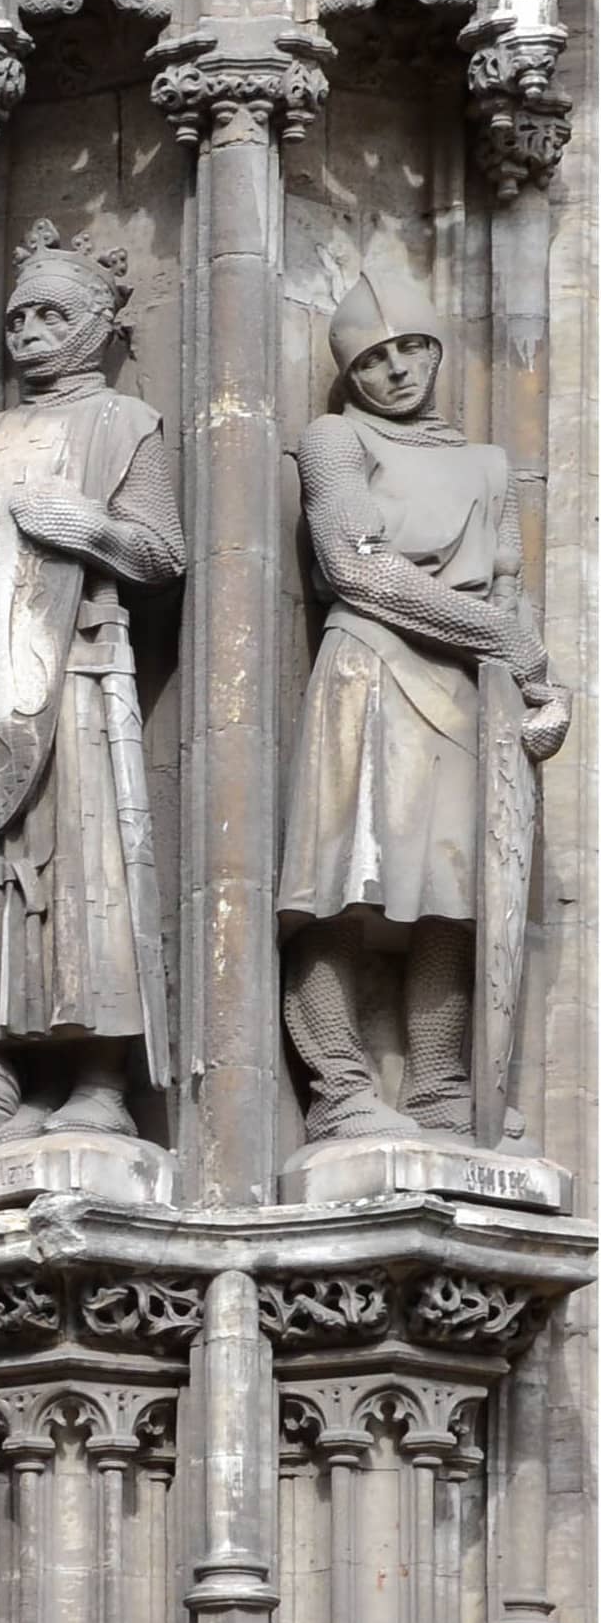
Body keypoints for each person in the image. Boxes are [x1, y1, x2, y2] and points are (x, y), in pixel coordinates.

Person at [0, 223, 183, 1144]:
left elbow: (159, 550)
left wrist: (91, 528)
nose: (26, 332)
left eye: (50, 313)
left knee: (89, 869)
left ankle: (99, 1079)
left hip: (81, 670)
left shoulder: (124, 423)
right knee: (0, 877)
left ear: (99, 325)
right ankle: (20, 1065)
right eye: (17, 316)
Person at [279, 269, 568, 1146]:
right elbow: (355, 564)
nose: (396, 370)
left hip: (466, 684)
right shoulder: (331, 439)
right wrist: (502, 642)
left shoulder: (485, 465)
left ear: (436, 349)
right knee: (336, 881)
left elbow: (513, 593)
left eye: (411, 348)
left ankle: (440, 1087)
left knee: (455, 890)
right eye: (372, 359)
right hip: (368, 663)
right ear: (349, 374)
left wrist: (539, 694)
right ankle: (339, 1086)